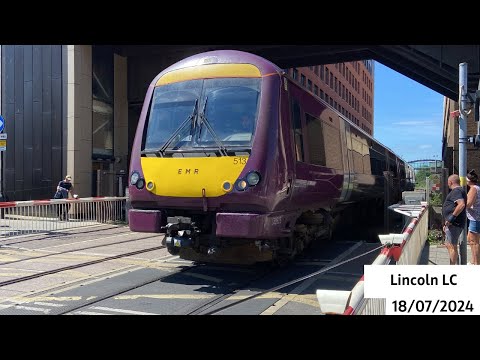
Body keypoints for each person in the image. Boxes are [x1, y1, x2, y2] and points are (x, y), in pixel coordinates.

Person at [442, 174, 467, 265]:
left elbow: (461, 205)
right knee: (449, 244)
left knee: (452, 246)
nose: (448, 184)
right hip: (452, 224)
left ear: (450, 182)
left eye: (448, 182)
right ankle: (453, 264)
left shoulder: (456, 191)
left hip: (454, 223)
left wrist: (450, 219)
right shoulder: (459, 191)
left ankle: (452, 267)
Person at [466, 169, 480, 264]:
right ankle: (474, 261)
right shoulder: (477, 187)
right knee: (471, 240)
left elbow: (468, 203)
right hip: (475, 217)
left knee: (474, 242)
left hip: (475, 218)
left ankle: (476, 263)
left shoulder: (473, 189)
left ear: (468, 180)